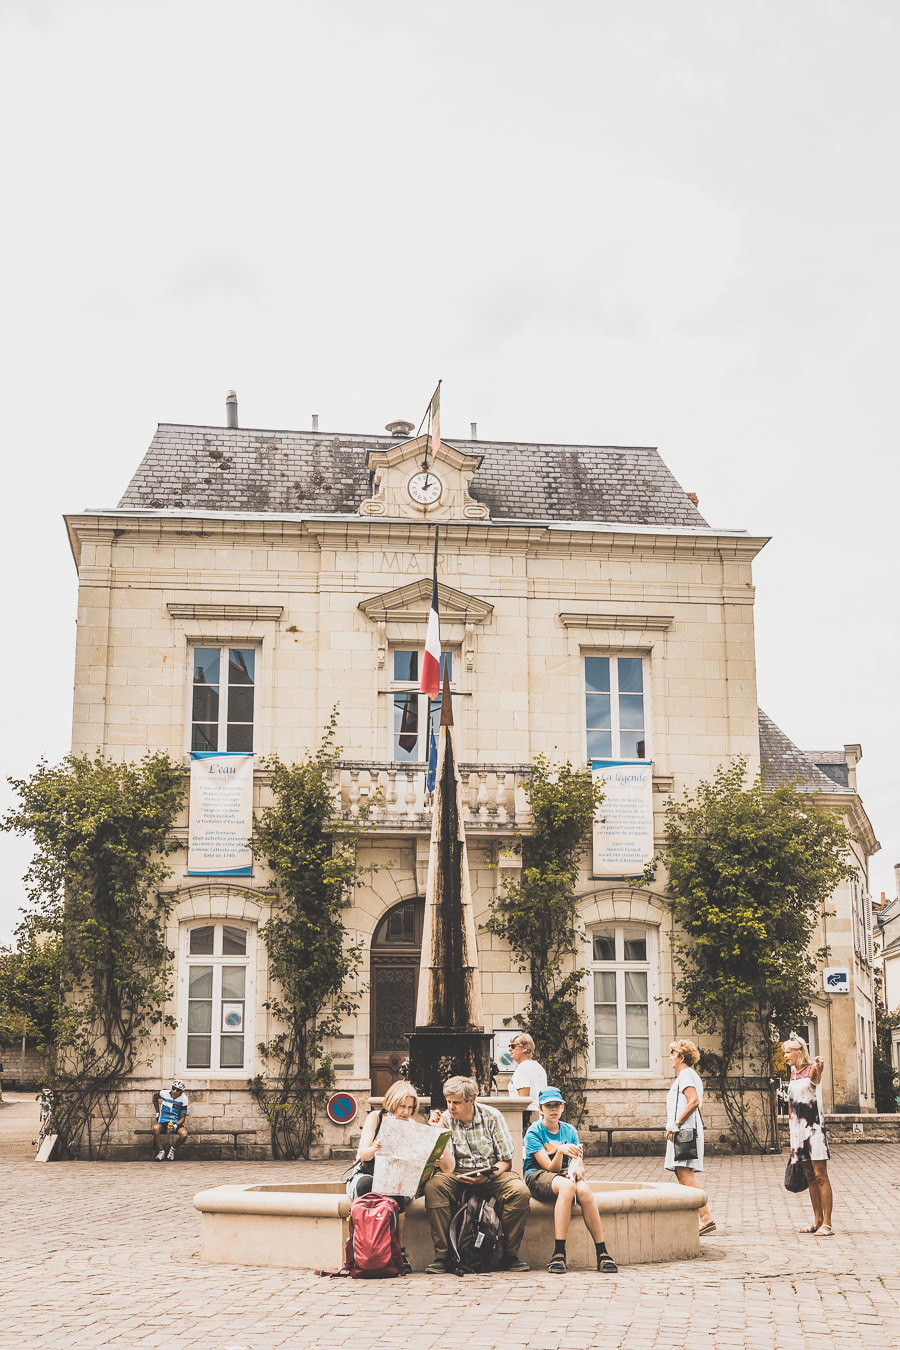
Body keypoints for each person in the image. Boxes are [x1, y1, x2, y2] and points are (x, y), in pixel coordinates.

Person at [424, 1075, 531, 1274]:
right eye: (449, 1102)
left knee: (519, 1192)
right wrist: (438, 1133)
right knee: (434, 1187)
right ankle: (444, 1256)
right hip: (456, 1172)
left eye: (456, 1102)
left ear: (471, 1100)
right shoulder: (445, 1120)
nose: (451, 1107)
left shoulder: (492, 1116)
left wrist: (488, 1177)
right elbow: (447, 1168)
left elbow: (506, 1161)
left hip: (491, 1172)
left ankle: (509, 1255)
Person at [348, 1081, 449, 1273]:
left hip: (395, 1178)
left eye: (410, 1107)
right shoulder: (375, 1118)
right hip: (367, 1173)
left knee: (395, 1191)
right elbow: (363, 1155)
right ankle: (367, 1246)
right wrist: (375, 1148)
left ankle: (398, 1251)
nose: (406, 1111)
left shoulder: (411, 1126)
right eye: (403, 1106)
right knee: (369, 1186)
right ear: (393, 1102)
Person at [524, 1087, 617, 1274]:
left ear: (562, 1107)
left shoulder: (569, 1130)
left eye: (556, 1105)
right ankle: (559, 1253)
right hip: (537, 1173)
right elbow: (550, 1168)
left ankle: (602, 1252)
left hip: (563, 1174)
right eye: (548, 1106)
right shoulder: (534, 1131)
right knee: (567, 1188)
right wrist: (560, 1151)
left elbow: (579, 1164)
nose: (553, 1110)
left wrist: (579, 1172)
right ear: (540, 1109)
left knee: (584, 1191)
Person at [783, 1034, 834, 1236]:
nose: (785, 1056)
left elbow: (817, 1076)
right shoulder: (793, 1074)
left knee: (821, 1176)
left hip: (814, 1131)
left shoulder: (811, 1069)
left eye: (788, 1052)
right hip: (797, 1132)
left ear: (799, 1051)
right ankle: (817, 1221)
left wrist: (819, 1066)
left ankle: (827, 1224)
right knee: (810, 1177)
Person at [664, 1040, 716, 1235]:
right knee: (681, 1173)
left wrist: (676, 1124)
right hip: (687, 1130)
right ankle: (696, 1218)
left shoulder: (686, 1074)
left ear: (682, 1057)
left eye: (673, 1053)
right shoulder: (691, 1076)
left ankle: (706, 1217)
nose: (670, 1057)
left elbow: (693, 1101)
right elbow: (699, 1105)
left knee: (685, 1174)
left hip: (683, 1131)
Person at [507, 1033, 548, 1128]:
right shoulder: (538, 1067)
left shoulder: (522, 1068)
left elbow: (523, 1101)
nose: (510, 1049)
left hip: (526, 1119)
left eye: (513, 1046)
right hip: (541, 1117)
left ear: (525, 1047)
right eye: (509, 1046)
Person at [152, 1079, 189, 1161]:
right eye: (173, 1088)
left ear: (181, 1092)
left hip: (176, 1122)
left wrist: (175, 1126)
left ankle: (172, 1149)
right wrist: (157, 1112)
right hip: (164, 1121)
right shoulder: (164, 1093)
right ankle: (161, 1151)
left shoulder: (184, 1099)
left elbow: (183, 1118)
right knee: (155, 1128)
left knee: (184, 1134)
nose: (175, 1091)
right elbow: (154, 1096)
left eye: (178, 1090)